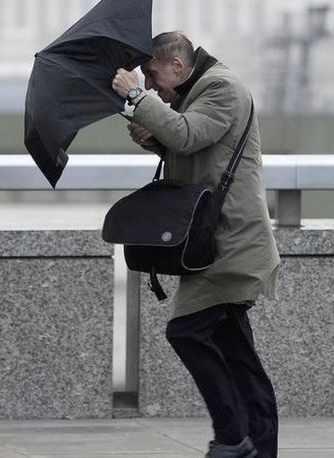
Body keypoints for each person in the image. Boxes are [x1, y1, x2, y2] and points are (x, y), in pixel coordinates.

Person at [112, 32, 281, 458]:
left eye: (152, 75)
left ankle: (232, 438)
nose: (151, 85)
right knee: (238, 357)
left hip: (232, 243)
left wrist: (136, 97)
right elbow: (195, 148)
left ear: (177, 66)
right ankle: (250, 446)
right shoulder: (197, 90)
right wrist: (153, 135)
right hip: (215, 242)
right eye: (145, 80)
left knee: (186, 332)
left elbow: (188, 135)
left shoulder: (221, 87)